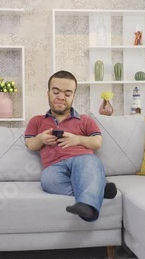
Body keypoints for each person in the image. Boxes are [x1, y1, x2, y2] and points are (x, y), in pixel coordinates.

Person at [24, 70, 117, 222]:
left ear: (74, 96)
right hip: (54, 166)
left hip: (82, 159)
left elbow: (97, 142)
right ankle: (98, 189)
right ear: (48, 93)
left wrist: (78, 140)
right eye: (56, 92)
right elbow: (30, 144)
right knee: (48, 181)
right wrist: (41, 138)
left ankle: (87, 206)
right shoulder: (37, 121)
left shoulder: (85, 120)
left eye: (67, 94)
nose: (61, 97)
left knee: (89, 164)